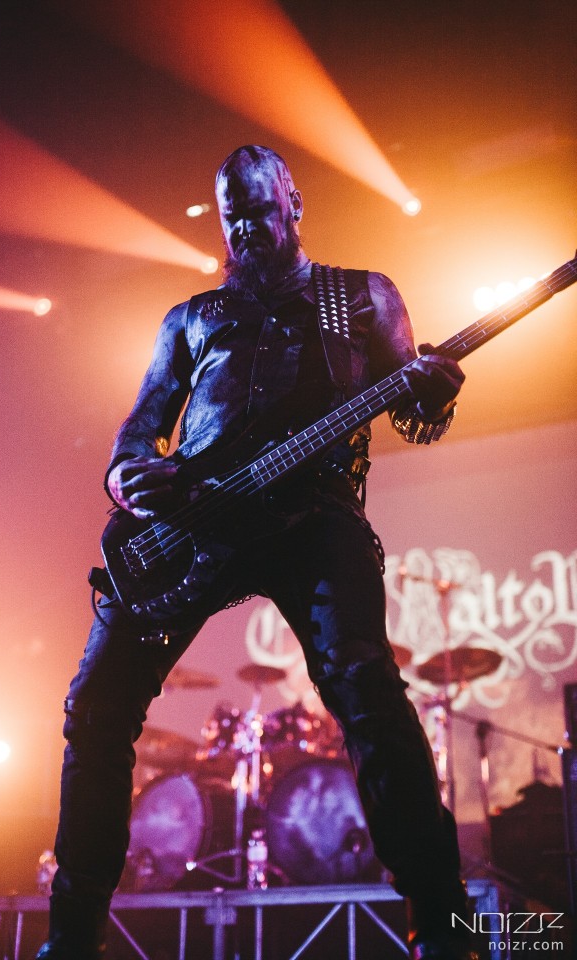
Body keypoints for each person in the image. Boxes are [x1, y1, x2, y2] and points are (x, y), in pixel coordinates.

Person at [37, 145, 476, 960]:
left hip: (317, 520)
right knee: (95, 709)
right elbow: (140, 428)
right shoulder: (190, 317)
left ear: (294, 203)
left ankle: (445, 925)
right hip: (193, 526)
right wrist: (127, 475)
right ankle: (70, 939)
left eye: (258, 209)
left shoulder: (363, 296)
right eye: (230, 215)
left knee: (368, 693)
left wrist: (435, 398)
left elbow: (415, 414)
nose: (244, 227)